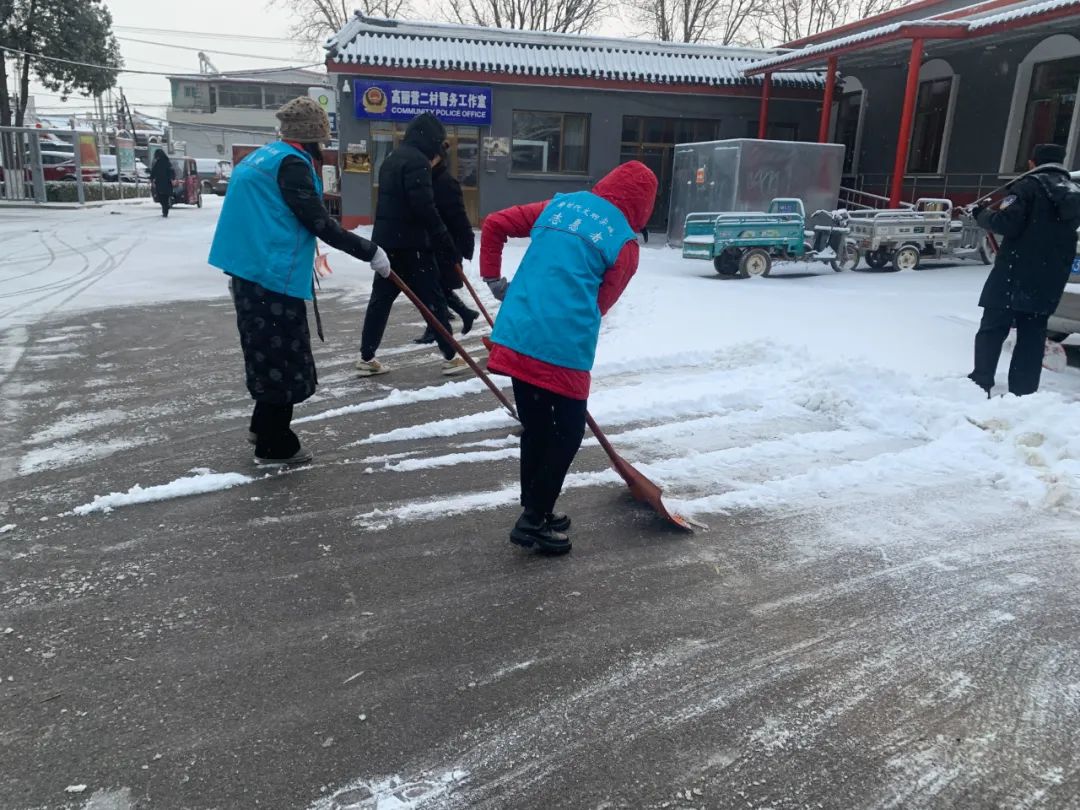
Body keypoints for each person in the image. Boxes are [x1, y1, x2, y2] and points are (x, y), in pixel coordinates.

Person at [480, 161, 658, 555]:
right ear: (644, 205)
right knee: (567, 432)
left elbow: (494, 223)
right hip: (561, 347)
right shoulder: (624, 244)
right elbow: (599, 305)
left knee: (537, 427)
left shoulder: (559, 206)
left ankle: (537, 509)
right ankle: (532, 520)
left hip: (518, 331)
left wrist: (494, 280)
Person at [208, 96, 389, 465]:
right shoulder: (291, 164)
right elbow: (318, 221)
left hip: (250, 271)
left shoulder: (264, 157)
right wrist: (369, 251)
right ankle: (274, 443)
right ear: (314, 137)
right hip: (271, 274)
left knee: (265, 353)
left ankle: (262, 425)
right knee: (283, 358)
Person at [356, 113, 468, 377]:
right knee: (433, 300)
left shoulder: (391, 159)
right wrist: (444, 239)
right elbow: (424, 207)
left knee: (380, 302)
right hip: (412, 246)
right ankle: (452, 357)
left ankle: (367, 358)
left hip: (386, 245)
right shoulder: (418, 162)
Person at [970, 143, 1080, 397]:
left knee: (992, 328)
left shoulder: (1027, 187)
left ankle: (980, 383)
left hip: (1014, 271)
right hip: (1049, 277)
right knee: (1032, 335)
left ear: (1032, 162)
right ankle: (1023, 392)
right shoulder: (1074, 193)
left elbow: (1007, 223)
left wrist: (981, 214)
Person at [414, 142, 480, 345]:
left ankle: (438, 327)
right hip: (431, 243)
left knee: (432, 288)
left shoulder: (445, 182)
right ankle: (463, 314)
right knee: (436, 288)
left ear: (438, 158)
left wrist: (465, 243)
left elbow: (458, 216)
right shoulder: (426, 179)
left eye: (430, 156)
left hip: (445, 244)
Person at [150, 150, 175, 218]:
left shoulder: (165, 162)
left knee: (163, 198)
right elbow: (154, 171)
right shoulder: (160, 162)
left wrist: (172, 178)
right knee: (163, 198)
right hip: (162, 183)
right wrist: (151, 179)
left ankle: (165, 212)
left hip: (164, 183)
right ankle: (165, 209)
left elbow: (171, 171)